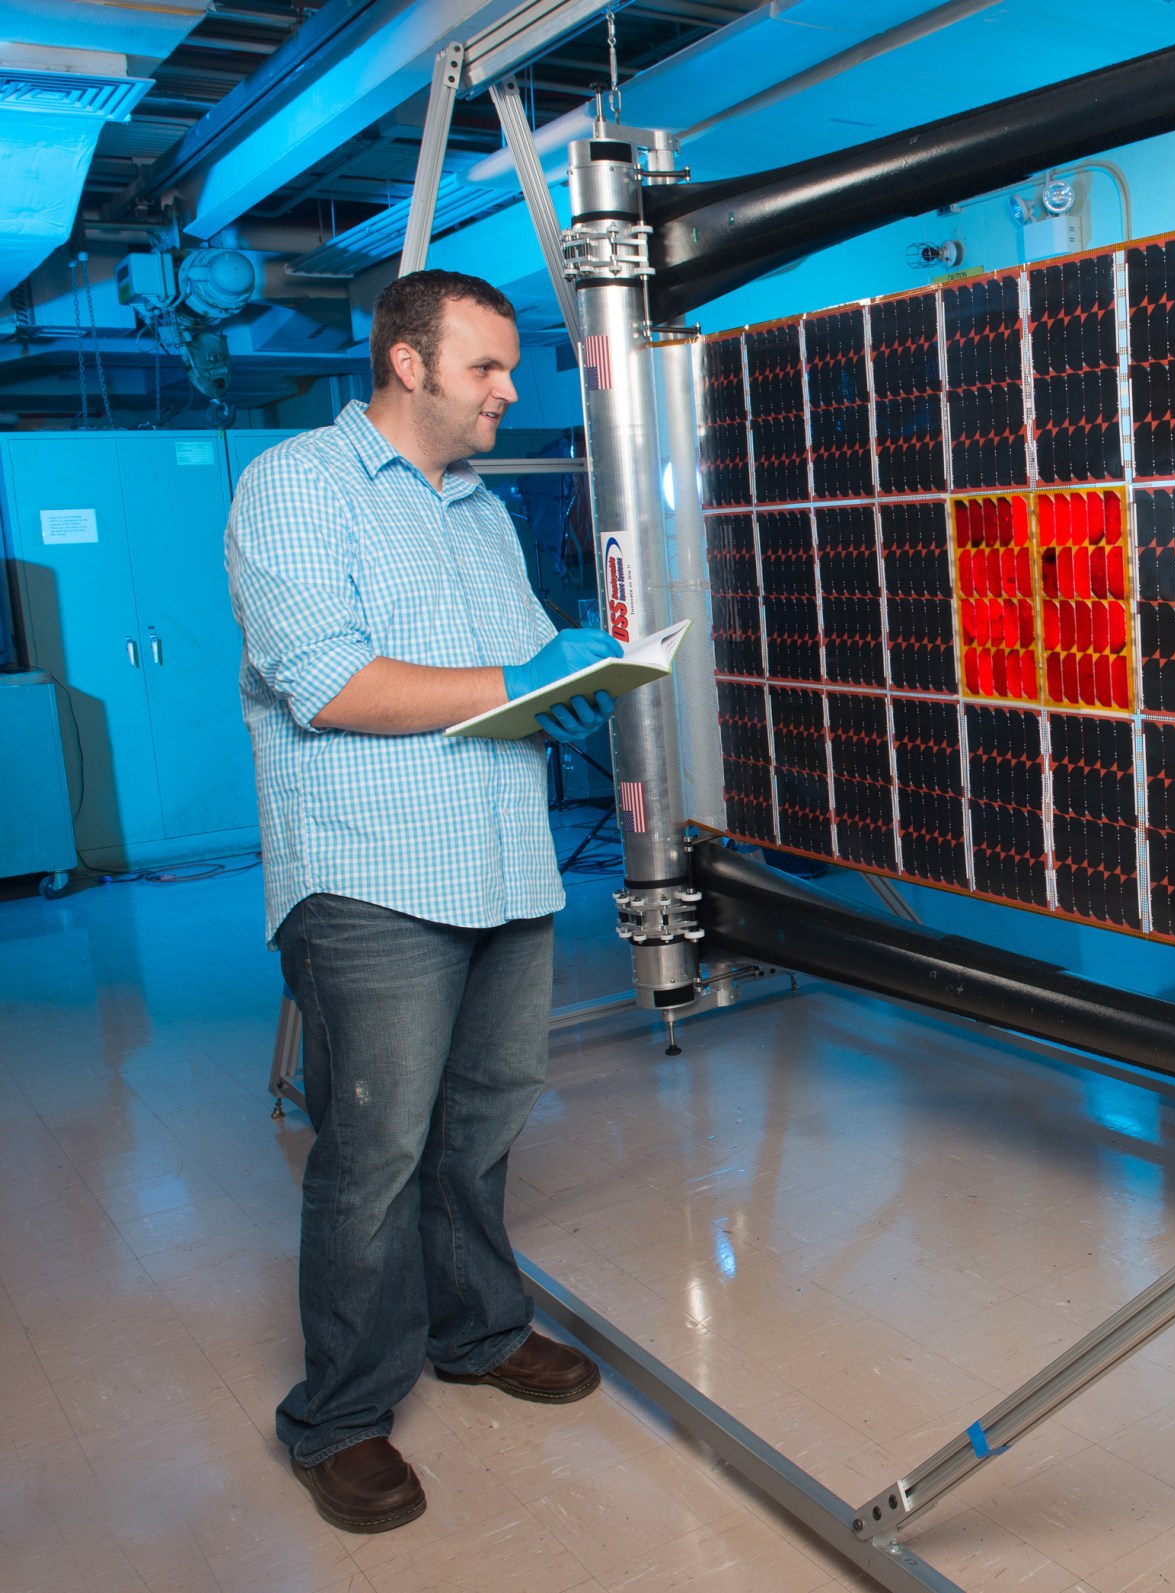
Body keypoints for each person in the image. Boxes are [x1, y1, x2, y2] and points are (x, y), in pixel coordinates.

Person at [227, 269, 618, 1534]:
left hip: (505, 862)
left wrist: (577, 679)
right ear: (409, 365)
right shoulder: (295, 485)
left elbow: (499, 677)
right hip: (371, 875)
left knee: (483, 1123)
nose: (511, 390)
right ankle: (338, 1416)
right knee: (374, 1152)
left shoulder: (480, 511)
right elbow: (328, 685)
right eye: (487, 369)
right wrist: (525, 667)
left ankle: (479, 1332)